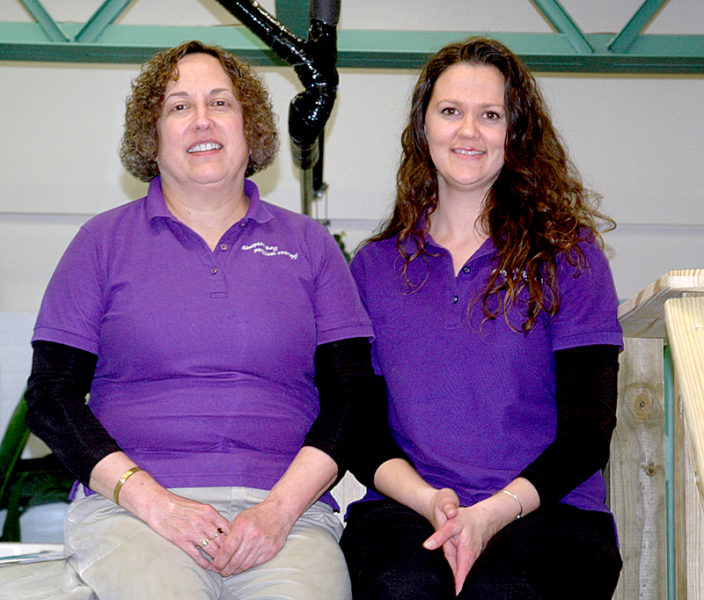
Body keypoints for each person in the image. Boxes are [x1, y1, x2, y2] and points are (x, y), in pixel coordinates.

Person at [24, 40, 377, 600]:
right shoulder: (101, 242)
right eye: (179, 106)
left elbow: (355, 394)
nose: (202, 119)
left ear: (250, 126)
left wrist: (276, 514)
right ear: (152, 136)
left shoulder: (310, 246)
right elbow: (51, 397)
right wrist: (157, 504)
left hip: (288, 515)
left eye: (220, 102)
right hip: (135, 515)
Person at [339, 37, 623, 599]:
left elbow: (589, 430)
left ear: (513, 135)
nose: (468, 131)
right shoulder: (373, 268)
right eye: (451, 112)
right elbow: (361, 430)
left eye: (489, 116)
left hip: (548, 509)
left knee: (503, 590)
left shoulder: (570, 257)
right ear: (424, 129)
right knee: (404, 585)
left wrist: (492, 513)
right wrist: (431, 503)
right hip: (409, 510)